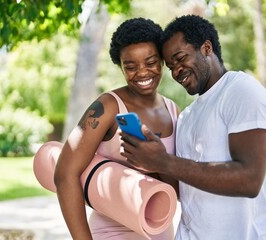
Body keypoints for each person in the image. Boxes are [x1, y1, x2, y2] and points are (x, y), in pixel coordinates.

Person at [120, 15, 266, 239]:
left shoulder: (242, 92)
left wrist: (164, 161)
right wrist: (148, 158)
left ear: (206, 48)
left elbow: (249, 179)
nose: (176, 71)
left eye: (181, 58)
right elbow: (186, 190)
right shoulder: (186, 117)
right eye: (171, 66)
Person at [54, 17, 179, 240]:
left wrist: (156, 163)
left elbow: (178, 191)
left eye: (150, 62)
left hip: (161, 232)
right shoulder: (108, 107)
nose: (142, 73)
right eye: (130, 67)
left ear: (161, 60)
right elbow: (64, 174)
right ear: (120, 67)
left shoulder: (173, 111)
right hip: (110, 233)